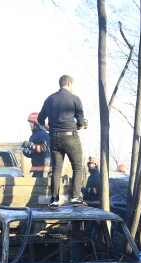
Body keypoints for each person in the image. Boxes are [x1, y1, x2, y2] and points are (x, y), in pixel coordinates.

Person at [38, 75, 87, 209]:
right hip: (70, 137)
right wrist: (80, 126)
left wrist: (47, 127)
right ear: (69, 83)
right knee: (77, 166)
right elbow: (81, 123)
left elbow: (40, 118)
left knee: (56, 169)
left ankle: (54, 200)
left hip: (54, 137)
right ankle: (76, 197)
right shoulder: (75, 99)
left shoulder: (49, 99)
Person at [20, 112, 52, 178]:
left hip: (44, 168)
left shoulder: (44, 134)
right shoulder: (33, 136)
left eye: (31, 122)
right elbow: (33, 153)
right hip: (36, 169)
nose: (30, 125)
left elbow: (43, 148)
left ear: (37, 123)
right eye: (30, 123)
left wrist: (30, 145)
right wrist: (25, 151)